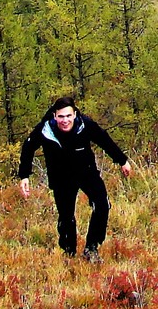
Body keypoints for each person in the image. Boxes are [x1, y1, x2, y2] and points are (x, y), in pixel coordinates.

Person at [18, 96, 133, 260]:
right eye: (61, 117)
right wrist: (24, 176)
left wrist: (122, 161)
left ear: (75, 114)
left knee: (102, 206)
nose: (65, 120)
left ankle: (91, 248)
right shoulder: (45, 130)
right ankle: (69, 252)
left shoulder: (84, 124)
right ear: (54, 116)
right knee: (66, 217)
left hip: (86, 172)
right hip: (61, 177)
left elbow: (104, 139)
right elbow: (28, 147)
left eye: (68, 116)